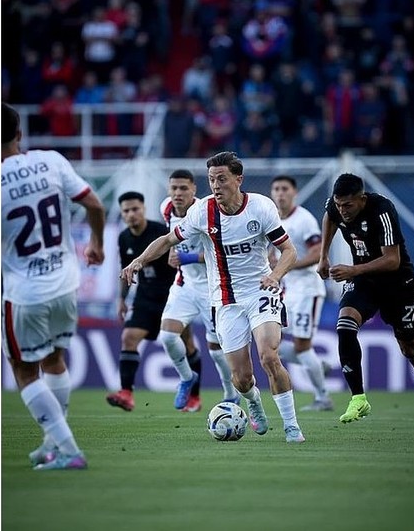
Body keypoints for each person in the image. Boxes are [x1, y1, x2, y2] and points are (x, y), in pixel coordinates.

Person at [121, 152, 306, 443]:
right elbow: (168, 240)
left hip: (261, 291)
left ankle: (292, 426)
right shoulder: (202, 212)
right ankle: (254, 403)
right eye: (211, 180)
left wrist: (275, 276)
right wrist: (139, 261)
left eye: (221, 179)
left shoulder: (260, 206)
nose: (216, 185)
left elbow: (290, 251)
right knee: (242, 379)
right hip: (225, 301)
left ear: (238, 179)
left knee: (269, 356)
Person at [1, 102, 106, 470]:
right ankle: (51, 443)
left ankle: (69, 450)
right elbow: (93, 203)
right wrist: (96, 243)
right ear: (20, 134)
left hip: (24, 291)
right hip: (66, 281)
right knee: (54, 359)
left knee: (24, 370)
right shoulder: (51, 161)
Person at [317, 173, 414, 424]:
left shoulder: (382, 210)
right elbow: (329, 216)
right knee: (345, 326)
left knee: (408, 344)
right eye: (339, 204)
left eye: (348, 205)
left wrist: (352, 270)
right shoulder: (336, 206)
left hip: (398, 283)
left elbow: (392, 260)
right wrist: (323, 256)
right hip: (364, 281)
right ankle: (358, 399)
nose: (343, 211)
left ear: (362, 199)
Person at [159, 169, 241, 412]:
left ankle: (230, 393)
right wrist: (173, 257)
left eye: (183, 188)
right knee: (167, 336)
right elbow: (171, 241)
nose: (178, 193)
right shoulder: (165, 209)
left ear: (194, 189)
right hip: (185, 285)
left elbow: (221, 252)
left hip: (213, 289)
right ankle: (187, 378)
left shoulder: (206, 211)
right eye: (174, 188)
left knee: (216, 350)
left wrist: (188, 257)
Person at [106, 191, 177, 411]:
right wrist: (121, 298)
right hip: (145, 297)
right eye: (126, 211)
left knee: (185, 343)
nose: (131, 214)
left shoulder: (160, 232)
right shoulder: (123, 237)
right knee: (128, 337)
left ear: (144, 208)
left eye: (135, 209)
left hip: (172, 296)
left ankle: (193, 392)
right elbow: (126, 269)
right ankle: (126, 393)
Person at [269, 175, 334, 411]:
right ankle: (316, 364)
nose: (280, 193)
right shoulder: (272, 219)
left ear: (294, 192)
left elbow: (317, 253)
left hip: (307, 290)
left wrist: (285, 265)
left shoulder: (304, 219)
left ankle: (323, 398)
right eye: (276, 189)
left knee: (302, 345)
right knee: (268, 341)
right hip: (286, 291)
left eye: (285, 188)